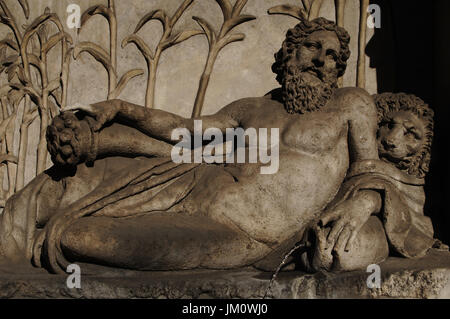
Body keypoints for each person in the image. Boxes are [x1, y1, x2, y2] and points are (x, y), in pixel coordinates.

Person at [0, 18, 429, 274]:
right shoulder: (252, 106)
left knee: (79, 235)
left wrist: (364, 204)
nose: (323, 60)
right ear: (288, 55)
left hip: (243, 233)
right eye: (313, 48)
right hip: (189, 190)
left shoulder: (349, 103)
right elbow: (183, 131)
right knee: (77, 183)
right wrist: (121, 107)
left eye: (334, 56)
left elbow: (368, 169)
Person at [300, 93, 436, 272]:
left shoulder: (412, 184)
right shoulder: (353, 157)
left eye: (410, 134)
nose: (391, 140)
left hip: (378, 228)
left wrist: (370, 200)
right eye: (388, 125)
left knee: (332, 249)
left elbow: (411, 220)